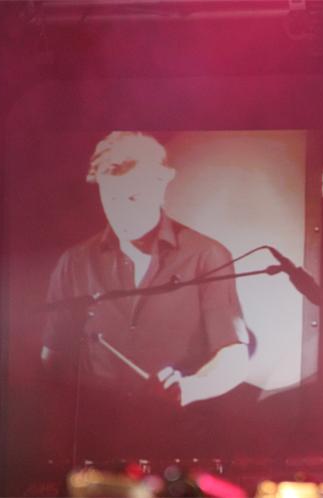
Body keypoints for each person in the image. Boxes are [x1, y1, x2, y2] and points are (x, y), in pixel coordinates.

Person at [41, 131, 250, 459]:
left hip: (181, 446)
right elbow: (52, 361)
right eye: (111, 199)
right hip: (98, 449)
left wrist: (190, 388)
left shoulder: (207, 255)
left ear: (161, 186)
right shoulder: (74, 263)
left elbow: (234, 358)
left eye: (133, 198)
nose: (121, 213)